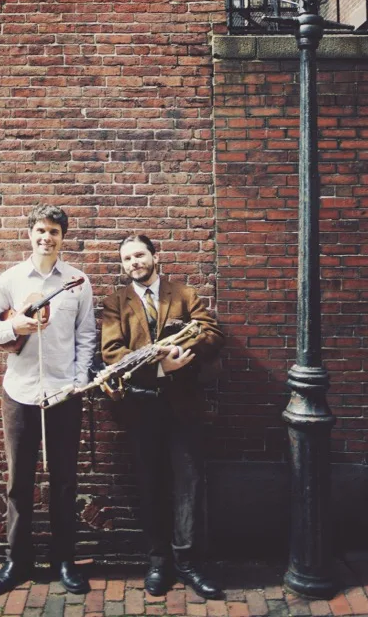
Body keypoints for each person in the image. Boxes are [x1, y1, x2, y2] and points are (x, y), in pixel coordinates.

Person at [0, 204, 96, 596]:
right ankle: (18, 560)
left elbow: (87, 336)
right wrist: (14, 325)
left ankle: (64, 560)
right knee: (18, 482)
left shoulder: (78, 281)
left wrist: (77, 382)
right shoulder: (10, 279)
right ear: (30, 233)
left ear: (63, 237)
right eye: (40, 230)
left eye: (54, 232)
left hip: (63, 393)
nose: (46, 238)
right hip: (20, 393)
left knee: (63, 481)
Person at [100, 234, 225, 600]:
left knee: (189, 485)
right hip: (140, 410)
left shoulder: (184, 295)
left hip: (183, 409)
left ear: (155, 256)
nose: (134, 263)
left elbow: (213, 334)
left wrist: (181, 345)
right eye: (127, 259)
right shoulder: (114, 303)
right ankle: (158, 563)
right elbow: (112, 353)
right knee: (151, 486)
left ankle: (188, 562)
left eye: (139, 255)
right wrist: (159, 366)